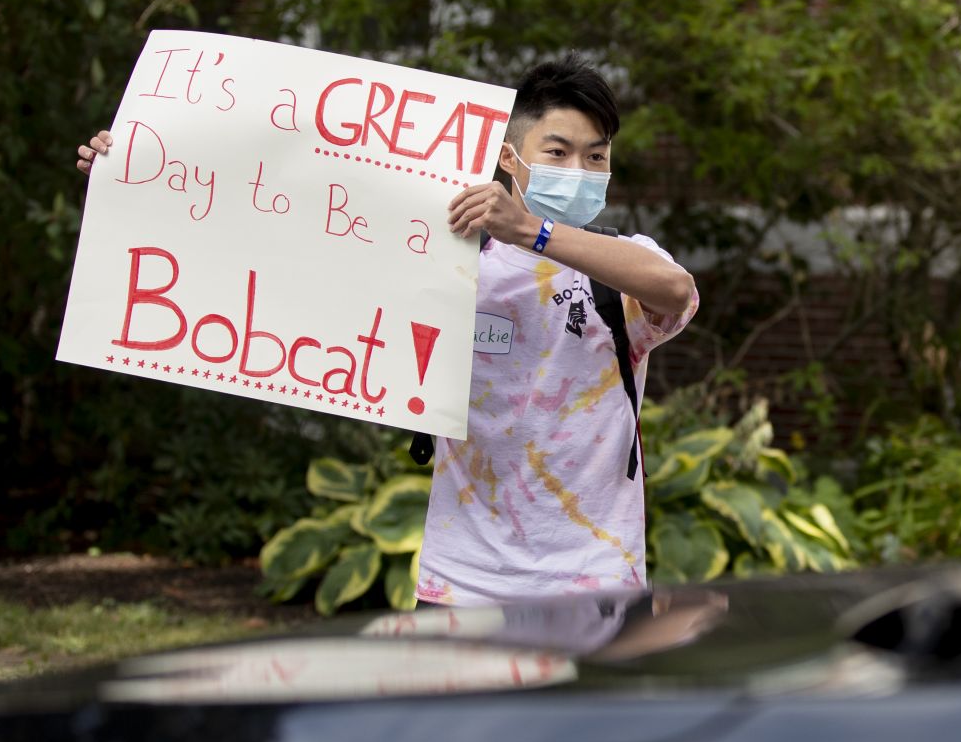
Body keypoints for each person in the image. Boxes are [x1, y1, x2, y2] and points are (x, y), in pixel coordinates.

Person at [78, 52, 697, 604]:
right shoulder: (441, 258)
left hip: (593, 580)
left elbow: (677, 290)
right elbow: (274, 251)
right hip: (463, 577)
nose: (579, 170)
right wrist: (138, 177)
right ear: (511, 157)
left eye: (597, 157)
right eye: (557, 152)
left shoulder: (621, 268)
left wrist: (533, 232)